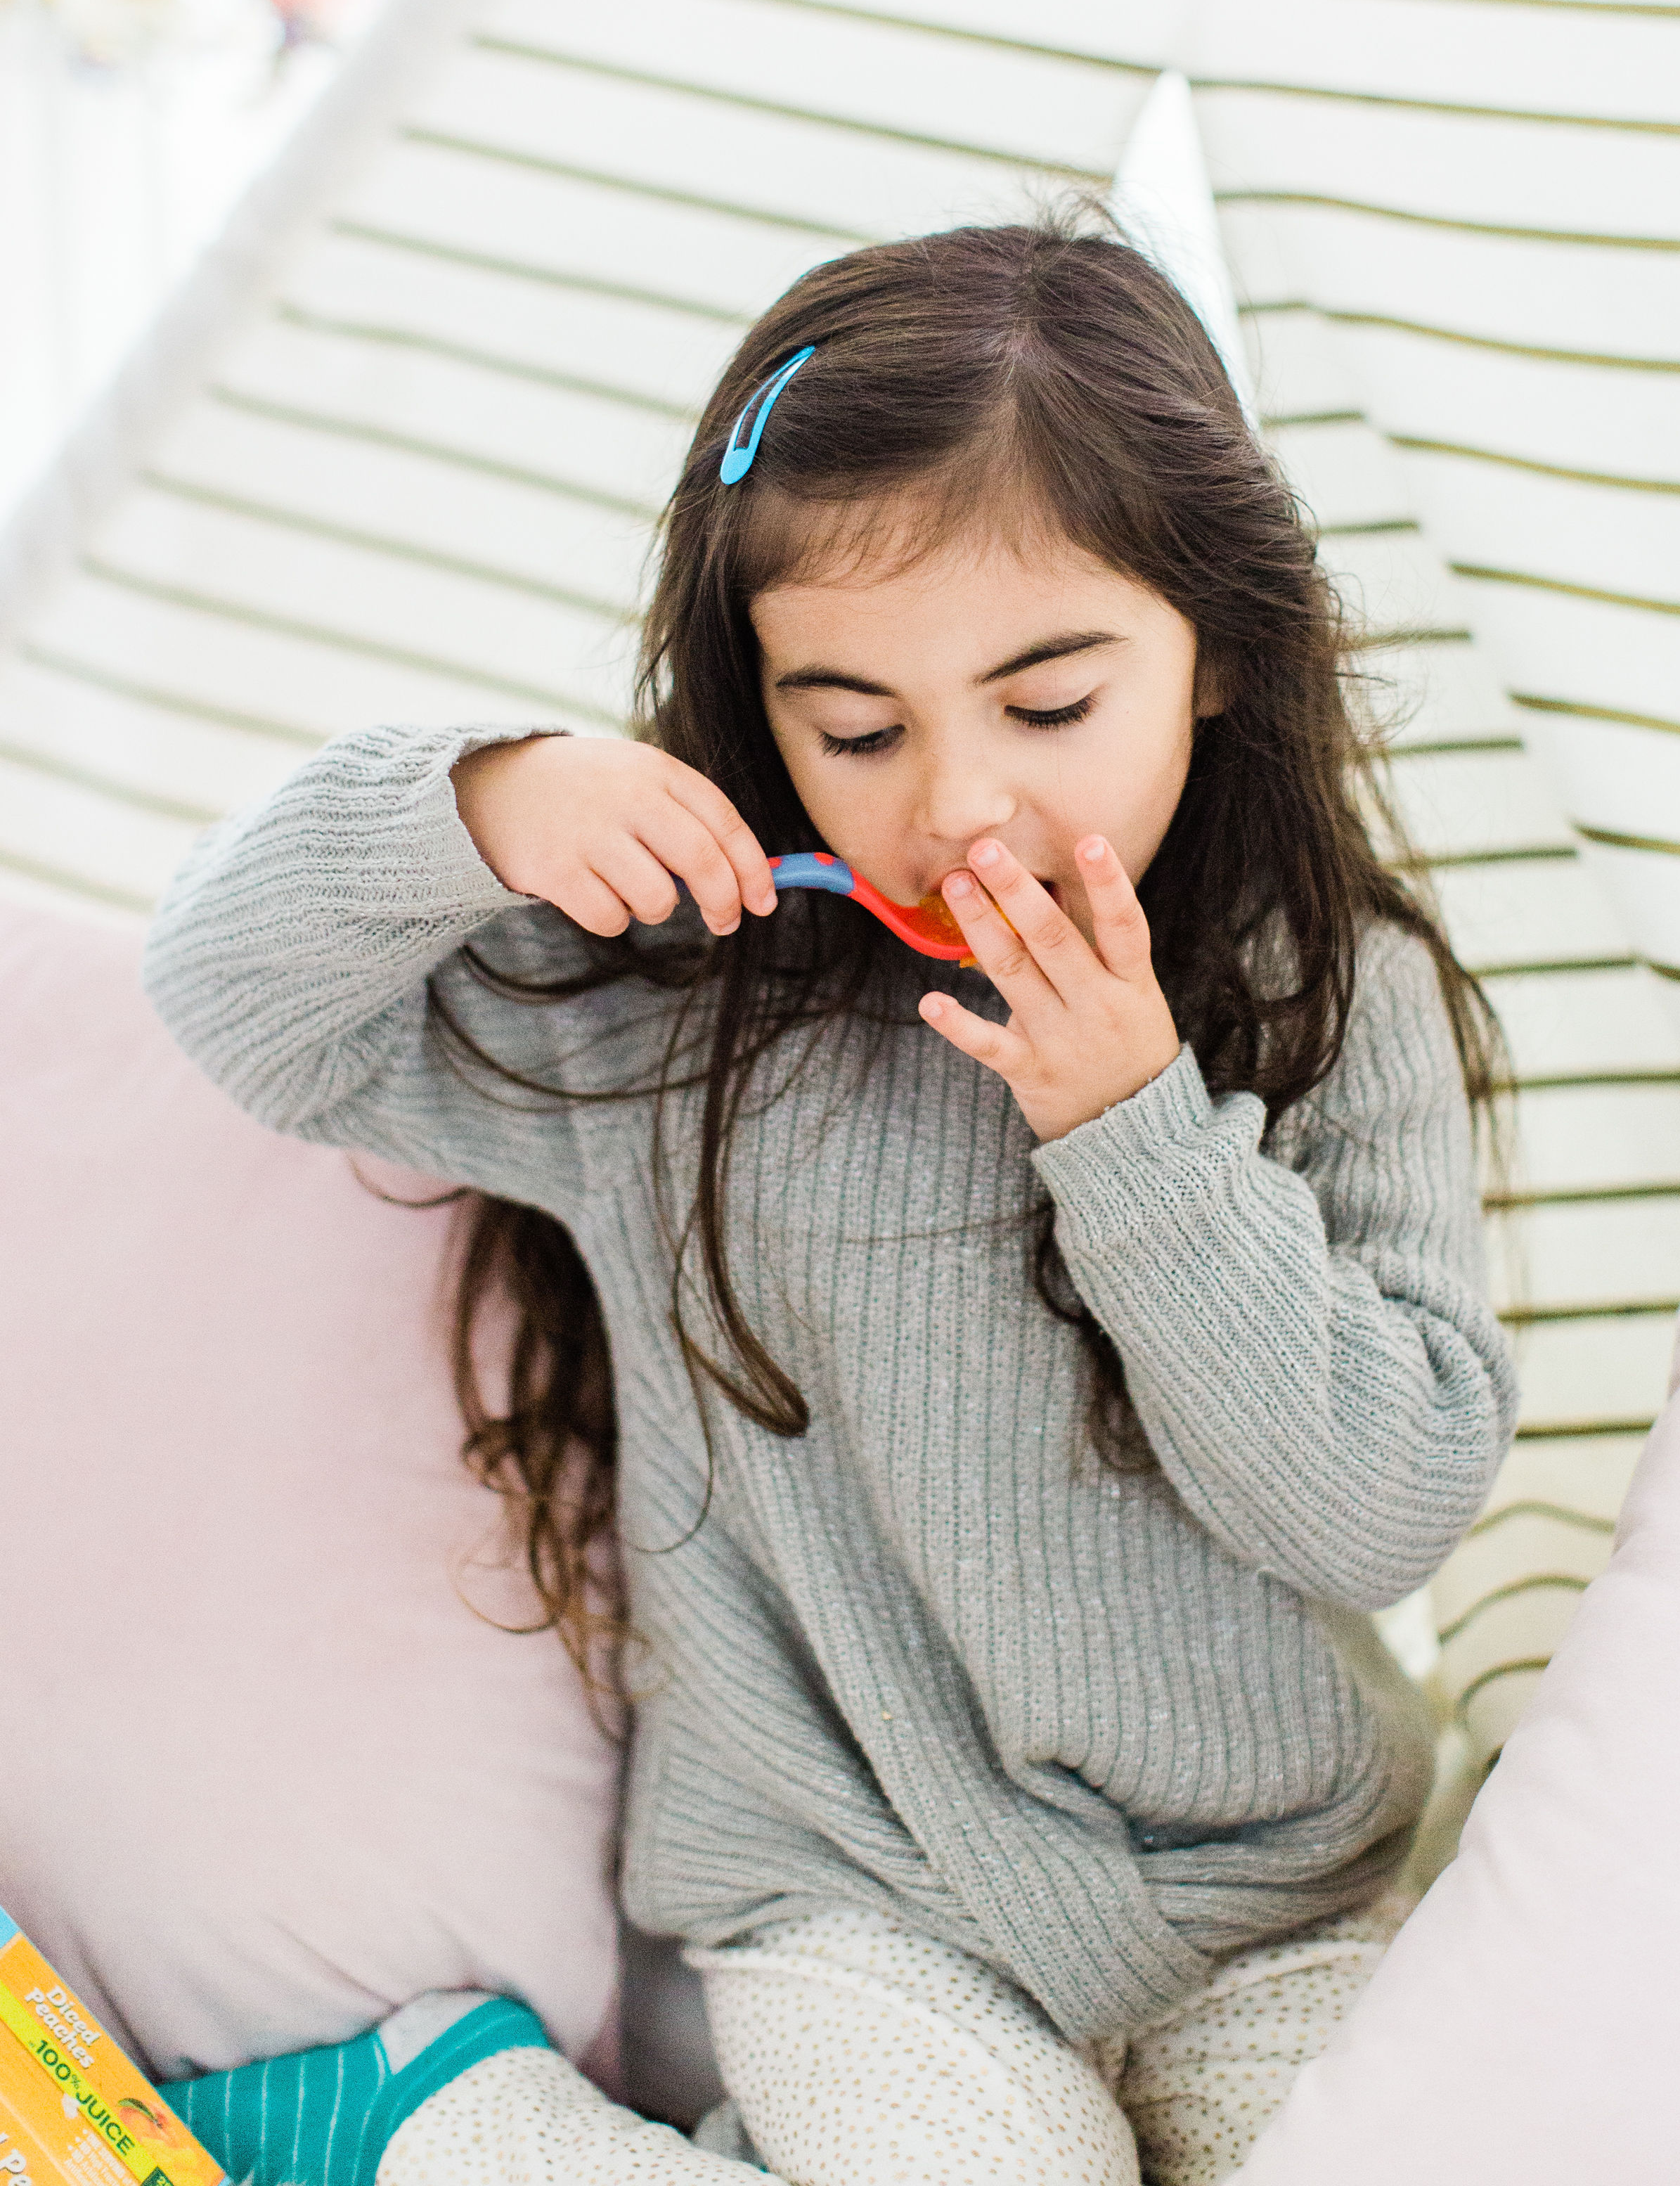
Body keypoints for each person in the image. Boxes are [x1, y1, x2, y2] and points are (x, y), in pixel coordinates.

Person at [146, 215, 1516, 2186]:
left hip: (1269, 1887)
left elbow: (1376, 1509)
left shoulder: (1326, 992)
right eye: (854, 728)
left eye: (1048, 707)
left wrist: (1131, 1126)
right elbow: (229, 1001)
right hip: (850, 1891)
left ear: (1215, 645)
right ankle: (439, 2122)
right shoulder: (684, 1010)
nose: (955, 804)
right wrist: (471, 803)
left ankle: (480, 2154)